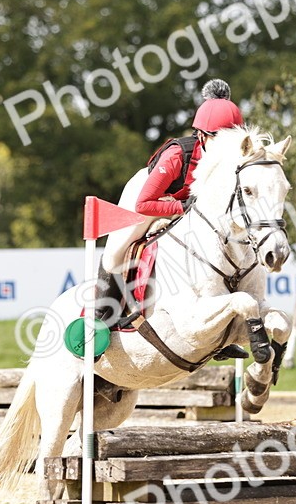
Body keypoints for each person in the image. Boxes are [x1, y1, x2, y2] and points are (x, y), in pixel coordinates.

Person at [94, 79, 245, 337]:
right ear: (201, 135)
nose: (225, 147)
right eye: (218, 138)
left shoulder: (231, 160)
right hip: (149, 198)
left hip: (186, 207)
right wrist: (180, 207)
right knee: (114, 256)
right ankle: (101, 322)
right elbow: (144, 203)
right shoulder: (178, 156)